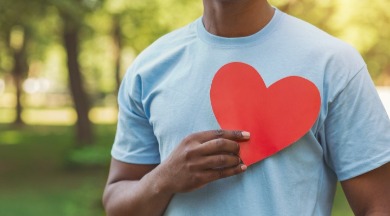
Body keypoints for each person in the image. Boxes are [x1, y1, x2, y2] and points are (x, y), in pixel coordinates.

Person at [102, 0, 390, 215]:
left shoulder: (333, 64)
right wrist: (164, 179)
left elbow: (378, 205)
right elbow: (116, 202)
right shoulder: (149, 68)